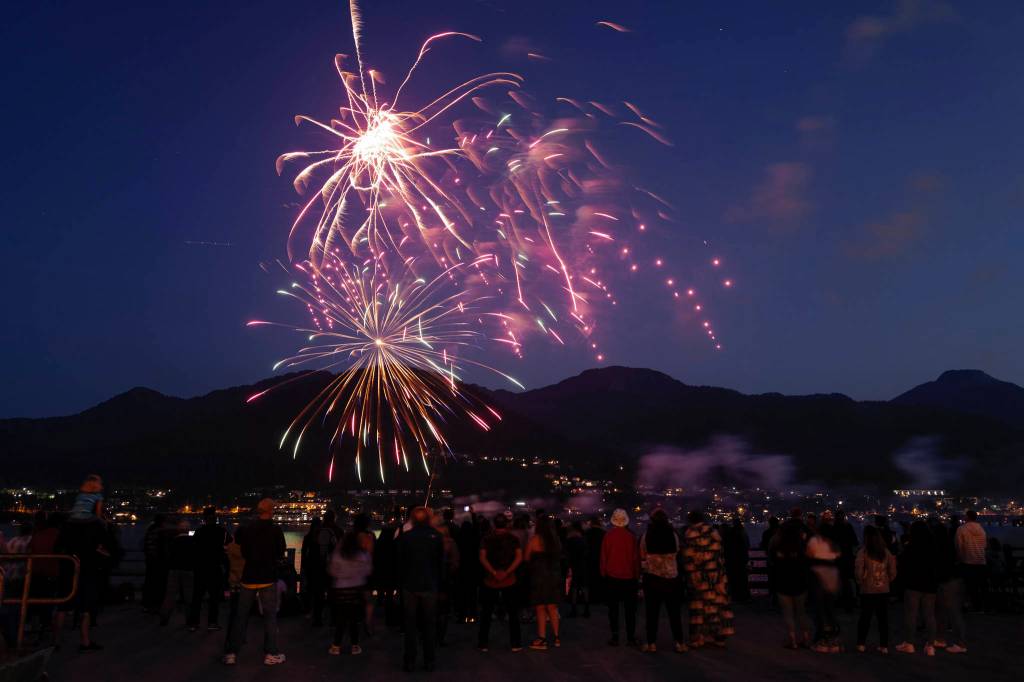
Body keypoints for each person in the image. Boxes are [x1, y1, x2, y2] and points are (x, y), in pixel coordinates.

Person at [223, 498, 287, 666]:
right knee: (269, 617)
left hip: (249, 577)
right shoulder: (275, 529)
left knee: (241, 616)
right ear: (271, 511)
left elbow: (244, 551)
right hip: (267, 578)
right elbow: (281, 552)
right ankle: (271, 653)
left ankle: (231, 653)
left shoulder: (248, 529)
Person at [397, 507, 444, 672]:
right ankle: (429, 660)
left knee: (410, 626)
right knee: (429, 625)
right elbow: (440, 564)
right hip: (430, 586)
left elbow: (400, 563)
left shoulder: (406, 537)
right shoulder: (437, 537)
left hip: (410, 586)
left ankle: (409, 661)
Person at [682, 510, 734, 648]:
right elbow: (720, 555)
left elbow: (689, 559)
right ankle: (718, 637)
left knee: (699, 608)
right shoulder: (713, 532)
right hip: (716, 577)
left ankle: (699, 638)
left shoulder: (690, 534)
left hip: (699, 577)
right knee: (717, 606)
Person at [639, 509, 686, 653]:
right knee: (674, 613)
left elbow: (642, 553)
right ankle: (679, 643)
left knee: (652, 614)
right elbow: (678, 551)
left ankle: (651, 643)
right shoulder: (673, 534)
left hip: (652, 578)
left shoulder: (647, 535)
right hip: (671, 578)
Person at [477, 513, 524, 652]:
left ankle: (483, 643)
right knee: (513, 614)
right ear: (507, 524)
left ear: (494, 524)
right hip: (510, 580)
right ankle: (516, 643)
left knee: (486, 613)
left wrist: (493, 572)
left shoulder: (486, 538)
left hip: (490, 580)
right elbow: (519, 557)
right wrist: (507, 572)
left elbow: (482, 557)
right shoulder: (513, 539)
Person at [895, 520, 939, 656]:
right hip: (930, 584)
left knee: (911, 614)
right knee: (930, 615)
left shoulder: (910, 546)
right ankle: (930, 645)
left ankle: (909, 643)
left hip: (913, 584)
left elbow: (903, 564)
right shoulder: (934, 546)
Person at [326, 529, 372, 655]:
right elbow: (368, 570)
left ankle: (336, 646)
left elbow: (332, 571)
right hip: (357, 588)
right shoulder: (362, 555)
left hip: (340, 589)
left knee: (341, 618)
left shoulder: (338, 554)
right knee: (354, 619)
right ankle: (355, 646)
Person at [769, 517, 812, 649]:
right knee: (801, 612)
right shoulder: (802, 547)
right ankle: (805, 638)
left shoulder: (778, 547)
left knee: (788, 613)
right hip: (800, 582)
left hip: (783, 582)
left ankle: (792, 640)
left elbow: (773, 563)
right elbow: (807, 564)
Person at [855, 526, 897, 654]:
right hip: (883, 590)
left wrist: (861, 581)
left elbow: (858, 570)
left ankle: (861, 644)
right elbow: (893, 570)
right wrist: (887, 581)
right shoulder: (886, 552)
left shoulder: (863, 552)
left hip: (868, 590)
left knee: (865, 618)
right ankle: (884, 646)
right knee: (883, 619)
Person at [601, 508, 639, 647]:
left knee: (613, 609)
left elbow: (604, 558)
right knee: (630, 610)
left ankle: (615, 636)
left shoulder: (608, 536)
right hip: (629, 577)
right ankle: (630, 637)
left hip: (612, 577)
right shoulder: (631, 537)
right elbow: (635, 559)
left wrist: (604, 573)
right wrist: (637, 575)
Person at [525, 515, 562, 650]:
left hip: (539, 577)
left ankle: (542, 639)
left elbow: (526, 558)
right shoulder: (556, 540)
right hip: (553, 577)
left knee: (540, 608)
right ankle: (557, 637)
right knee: (552, 607)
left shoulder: (535, 539)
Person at [806, 511, 841, 653]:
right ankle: (833, 638)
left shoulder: (814, 541)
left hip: (817, 573)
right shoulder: (834, 544)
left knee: (818, 608)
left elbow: (808, 555)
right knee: (830, 607)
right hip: (832, 573)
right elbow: (838, 556)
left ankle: (820, 638)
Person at [190, 507, 228, 632]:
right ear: (215, 517)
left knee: (197, 597)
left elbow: (193, 548)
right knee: (214, 597)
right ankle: (212, 622)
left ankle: (194, 623)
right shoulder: (221, 531)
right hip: (215, 567)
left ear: (204, 518)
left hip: (200, 567)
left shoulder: (199, 531)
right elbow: (229, 542)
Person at [933, 520, 968, 654]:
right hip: (953, 580)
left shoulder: (938, 547)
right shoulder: (951, 545)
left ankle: (960, 643)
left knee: (952, 612)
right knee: (943, 611)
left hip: (947, 581)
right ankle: (941, 639)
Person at [159, 520, 195, 626]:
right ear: (188, 530)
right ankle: (189, 620)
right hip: (188, 570)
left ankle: (164, 618)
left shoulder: (173, 541)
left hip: (174, 570)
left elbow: (167, 556)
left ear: (179, 530)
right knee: (189, 596)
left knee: (170, 595)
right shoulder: (192, 541)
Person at [434, 516, 460, 646]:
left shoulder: (430, 541)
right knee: (443, 611)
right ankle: (440, 637)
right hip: (445, 581)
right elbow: (455, 563)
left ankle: (429, 636)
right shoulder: (450, 543)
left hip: (431, 581)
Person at [955, 510, 987, 612]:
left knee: (967, 585)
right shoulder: (982, 530)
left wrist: (960, 558)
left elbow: (958, 546)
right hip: (981, 561)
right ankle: (979, 606)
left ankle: (966, 605)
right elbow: (984, 546)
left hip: (967, 561)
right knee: (979, 585)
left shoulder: (961, 529)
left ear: (968, 517)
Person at [353, 513, 376, 632]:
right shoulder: (370, 536)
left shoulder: (351, 536)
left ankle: (355, 620)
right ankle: (367, 623)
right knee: (368, 599)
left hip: (353, 571)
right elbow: (371, 553)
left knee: (355, 598)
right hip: (366, 571)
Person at [833, 510, 859, 611]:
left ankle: (842, 599)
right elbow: (855, 542)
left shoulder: (834, 528)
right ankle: (851, 599)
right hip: (847, 557)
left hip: (838, 558)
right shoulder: (848, 527)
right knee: (849, 579)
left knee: (840, 579)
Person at [142, 514, 168, 614]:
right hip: (159, 562)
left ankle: (147, 604)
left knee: (149, 581)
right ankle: (157, 604)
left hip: (150, 560)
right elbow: (163, 549)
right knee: (159, 583)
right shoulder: (161, 532)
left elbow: (145, 545)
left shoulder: (150, 530)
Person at [723, 515, 751, 603]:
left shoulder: (730, 534)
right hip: (742, 560)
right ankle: (743, 596)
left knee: (734, 579)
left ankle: (736, 596)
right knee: (743, 578)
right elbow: (747, 545)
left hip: (733, 560)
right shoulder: (743, 533)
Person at [564, 521, 589, 618]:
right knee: (584, 587)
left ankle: (574, 610)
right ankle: (586, 609)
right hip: (583, 565)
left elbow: (566, 554)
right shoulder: (584, 539)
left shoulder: (569, 540)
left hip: (573, 566)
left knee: (573, 588)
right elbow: (587, 552)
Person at [584, 517, 606, 606]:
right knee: (600, 579)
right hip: (601, 559)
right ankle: (600, 597)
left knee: (591, 579)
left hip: (589, 559)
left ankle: (592, 598)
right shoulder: (604, 534)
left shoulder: (586, 533)